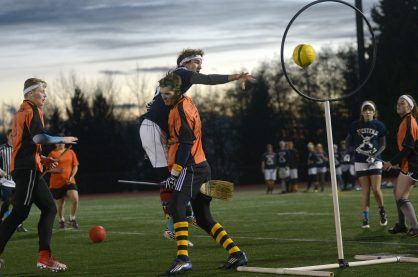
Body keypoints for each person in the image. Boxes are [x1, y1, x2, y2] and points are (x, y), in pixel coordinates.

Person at [139, 48, 254, 242]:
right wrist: (236, 77)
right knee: (168, 177)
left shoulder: (173, 79)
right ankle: (175, 225)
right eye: (197, 62)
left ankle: (186, 210)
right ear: (185, 63)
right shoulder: (181, 73)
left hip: (156, 129)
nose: (200, 66)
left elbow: (163, 112)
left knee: (175, 173)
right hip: (152, 128)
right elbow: (208, 79)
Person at [159, 73, 247, 275]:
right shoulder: (184, 103)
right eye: (162, 94)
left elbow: (187, 142)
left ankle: (183, 259)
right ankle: (236, 253)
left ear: (178, 91)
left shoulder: (180, 109)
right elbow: (184, 138)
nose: (164, 97)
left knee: (176, 205)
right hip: (201, 165)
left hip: (192, 168)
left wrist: (174, 173)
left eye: (167, 94)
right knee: (203, 217)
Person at [0, 78, 78, 272]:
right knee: (19, 213)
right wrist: (62, 138)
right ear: (29, 94)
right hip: (26, 170)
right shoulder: (31, 110)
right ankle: (44, 257)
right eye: (42, 91)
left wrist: (41, 159)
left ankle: (45, 257)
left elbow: (25, 144)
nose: (45, 95)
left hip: (29, 168)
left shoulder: (25, 111)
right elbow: (39, 137)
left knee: (49, 208)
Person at [347, 101, 387, 228]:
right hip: (360, 160)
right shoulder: (355, 125)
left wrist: (374, 156)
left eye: (370, 110)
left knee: (375, 189)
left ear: (374, 112)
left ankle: (382, 211)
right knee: (365, 190)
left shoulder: (379, 125)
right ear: (362, 112)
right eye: (365, 110)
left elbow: (383, 144)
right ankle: (365, 218)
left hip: (374, 161)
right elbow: (348, 140)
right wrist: (349, 152)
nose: (368, 112)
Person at [384, 95, 418, 236]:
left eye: (402, 103)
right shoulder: (406, 120)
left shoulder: (409, 121)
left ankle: (415, 227)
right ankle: (402, 225)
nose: (398, 105)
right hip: (408, 163)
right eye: (397, 103)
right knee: (397, 192)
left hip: (413, 165)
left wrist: (391, 162)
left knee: (401, 197)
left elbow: (409, 148)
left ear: (409, 107)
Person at [0, 129, 27, 232]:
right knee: (7, 202)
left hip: (17, 181)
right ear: (7, 136)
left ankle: (19, 225)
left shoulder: (19, 149)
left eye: (15, 135)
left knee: (19, 204)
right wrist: (1, 171)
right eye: (11, 135)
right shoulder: (2, 149)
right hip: (5, 181)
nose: (13, 137)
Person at [48, 143, 79, 229]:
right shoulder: (52, 154)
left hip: (69, 181)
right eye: (58, 141)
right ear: (55, 144)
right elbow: (48, 169)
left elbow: (75, 166)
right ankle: (61, 220)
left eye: (62, 141)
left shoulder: (70, 152)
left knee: (75, 199)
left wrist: (71, 176)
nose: (60, 143)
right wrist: (56, 170)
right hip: (56, 183)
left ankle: (72, 218)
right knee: (61, 204)